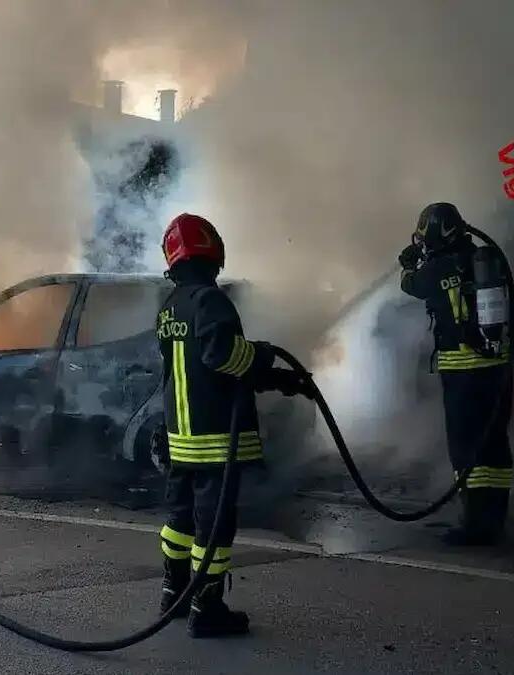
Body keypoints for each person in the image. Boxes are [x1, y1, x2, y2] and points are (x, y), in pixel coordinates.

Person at [150, 213, 309, 638]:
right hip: (215, 437)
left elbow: (199, 367)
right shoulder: (209, 300)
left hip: (181, 438)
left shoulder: (169, 307)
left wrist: (277, 379)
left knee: (180, 518)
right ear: (212, 252)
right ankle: (206, 608)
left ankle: (173, 592)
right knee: (214, 527)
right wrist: (262, 354)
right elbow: (222, 356)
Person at [399, 202, 514, 546]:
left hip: (463, 372)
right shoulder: (483, 261)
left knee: (465, 447)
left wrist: (408, 263)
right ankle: (494, 519)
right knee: (494, 444)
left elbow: (411, 285)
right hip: (497, 370)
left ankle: (475, 525)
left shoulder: (436, 268)